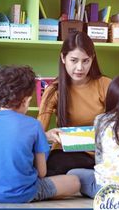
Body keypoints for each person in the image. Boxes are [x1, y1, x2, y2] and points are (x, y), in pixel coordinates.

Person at [0, 65, 80, 203]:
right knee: (74, 181)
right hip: (24, 194)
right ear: (25, 101)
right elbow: (42, 173)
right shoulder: (34, 125)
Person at [37, 31, 111, 175]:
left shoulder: (105, 84)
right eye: (74, 60)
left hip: (102, 152)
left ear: (92, 59)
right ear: (63, 58)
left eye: (85, 61)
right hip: (67, 153)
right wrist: (47, 135)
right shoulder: (53, 90)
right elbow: (38, 132)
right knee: (52, 168)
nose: (79, 68)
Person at [67, 74, 119, 200]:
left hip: (107, 189)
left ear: (111, 97)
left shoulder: (102, 120)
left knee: (72, 174)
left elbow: (99, 157)